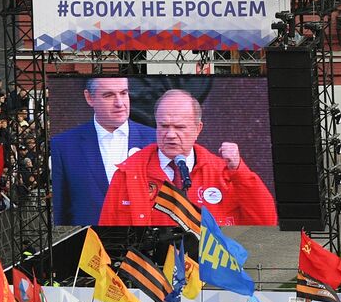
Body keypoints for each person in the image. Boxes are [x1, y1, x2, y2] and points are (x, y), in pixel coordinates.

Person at [99, 89, 277, 226]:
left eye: (179, 127)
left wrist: (240, 173)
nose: (170, 134)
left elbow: (266, 221)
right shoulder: (128, 173)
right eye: (164, 126)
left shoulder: (224, 172)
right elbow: (106, 225)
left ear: (198, 129)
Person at [50, 76, 155, 225]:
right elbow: (61, 210)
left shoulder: (156, 141)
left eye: (124, 93)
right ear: (89, 98)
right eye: (109, 95)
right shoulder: (63, 146)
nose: (120, 103)